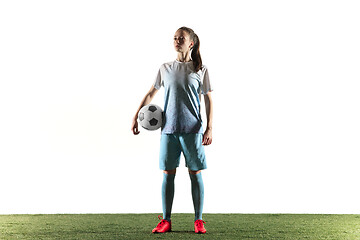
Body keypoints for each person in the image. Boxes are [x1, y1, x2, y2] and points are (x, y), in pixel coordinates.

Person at [131, 26, 213, 234]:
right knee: (168, 174)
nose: (177, 41)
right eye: (175, 38)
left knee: (195, 174)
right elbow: (151, 93)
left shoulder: (200, 69)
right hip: (168, 130)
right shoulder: (165, 68)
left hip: (193, 130)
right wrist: (136, 115)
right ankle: (166, 220)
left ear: (191, 43)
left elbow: (208, 99)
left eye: (181, 38)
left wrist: (209, 128)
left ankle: (198, 220)